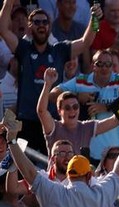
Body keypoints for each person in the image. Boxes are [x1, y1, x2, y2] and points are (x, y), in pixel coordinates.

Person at [0, 0, 102, 154]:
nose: (41, 24)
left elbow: (85, 42)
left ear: (50, 26)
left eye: (45, 21)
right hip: (26, 121)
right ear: (29, 26)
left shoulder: (59, 50)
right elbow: (3, 29)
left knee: (53, 168)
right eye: (36, 22)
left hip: (52, 122)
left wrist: (94, 20)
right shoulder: (23, 49)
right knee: (24, 169)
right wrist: (8, 2)